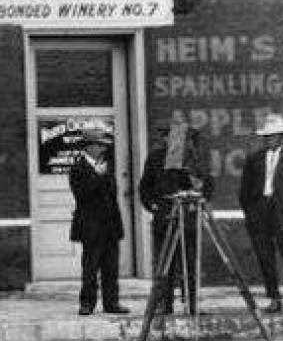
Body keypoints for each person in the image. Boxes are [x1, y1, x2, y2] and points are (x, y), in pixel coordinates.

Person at [138, 117, 213, 313]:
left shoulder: (192, 158)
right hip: (165, 219)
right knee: (166, 264)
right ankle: (166, 304)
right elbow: (145, 187)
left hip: (188, 219)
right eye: (168, 137)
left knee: (190, 263)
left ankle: (192, 304)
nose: (172, 141)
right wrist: (153, 206)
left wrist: (198, 188)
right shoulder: (155, 158)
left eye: (178, 137)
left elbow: (207, 185)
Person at [239, 112, 283, 313]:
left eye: (274, 136)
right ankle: (274, 299)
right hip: (260, 215)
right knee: (265, 258)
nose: (270, 140)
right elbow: (245, 191)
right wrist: (250, 214)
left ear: (281, 137)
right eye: (267, 136)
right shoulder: (253, 159)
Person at [69, 130, 129, 315]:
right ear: (90, 147)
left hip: (109, 225)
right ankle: (87, 303)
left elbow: (113, 195)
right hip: (91, 226)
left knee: (111, 268)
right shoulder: (78, 168)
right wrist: (97, 176)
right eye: (99, 145)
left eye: (103, 145)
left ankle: (112, 303)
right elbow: (82, 194)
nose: (103, 149)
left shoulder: (107, 166)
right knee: (90, 268)